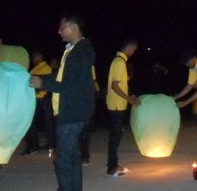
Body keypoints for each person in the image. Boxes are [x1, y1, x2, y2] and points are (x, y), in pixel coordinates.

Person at [30, 13, 96, 191]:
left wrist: (43, 83)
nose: (59, 31)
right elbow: (63, 77)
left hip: (72, 111)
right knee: (72, 156)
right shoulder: (74, 50)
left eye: (62, 28)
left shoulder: (80, 51)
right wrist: (42, 79)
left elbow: (71, 84)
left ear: (74, 27)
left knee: (64, 159)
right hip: (73, 110)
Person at [105, 37, 140, 177]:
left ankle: (114, 165)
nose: (134, 52)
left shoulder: (117, 61)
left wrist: (129, 97)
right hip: (116, 105)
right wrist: (129, 99)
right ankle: (112, 168)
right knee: (115, 137)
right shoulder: (119, 62)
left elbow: (118, 85)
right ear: (129, 47)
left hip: (116, 104)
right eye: (134, 49)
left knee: (116, 136)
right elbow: (115, 86)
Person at [23, 50, 54, 156]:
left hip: (42, 99)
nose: (33, 60)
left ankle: (49, 144)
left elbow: (46, 84)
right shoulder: (34, 69)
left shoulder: (46, 68)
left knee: (47, 124)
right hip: (34, 99)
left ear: (40, 56)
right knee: (32, 123)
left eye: (35, 57)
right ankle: (34, 145)